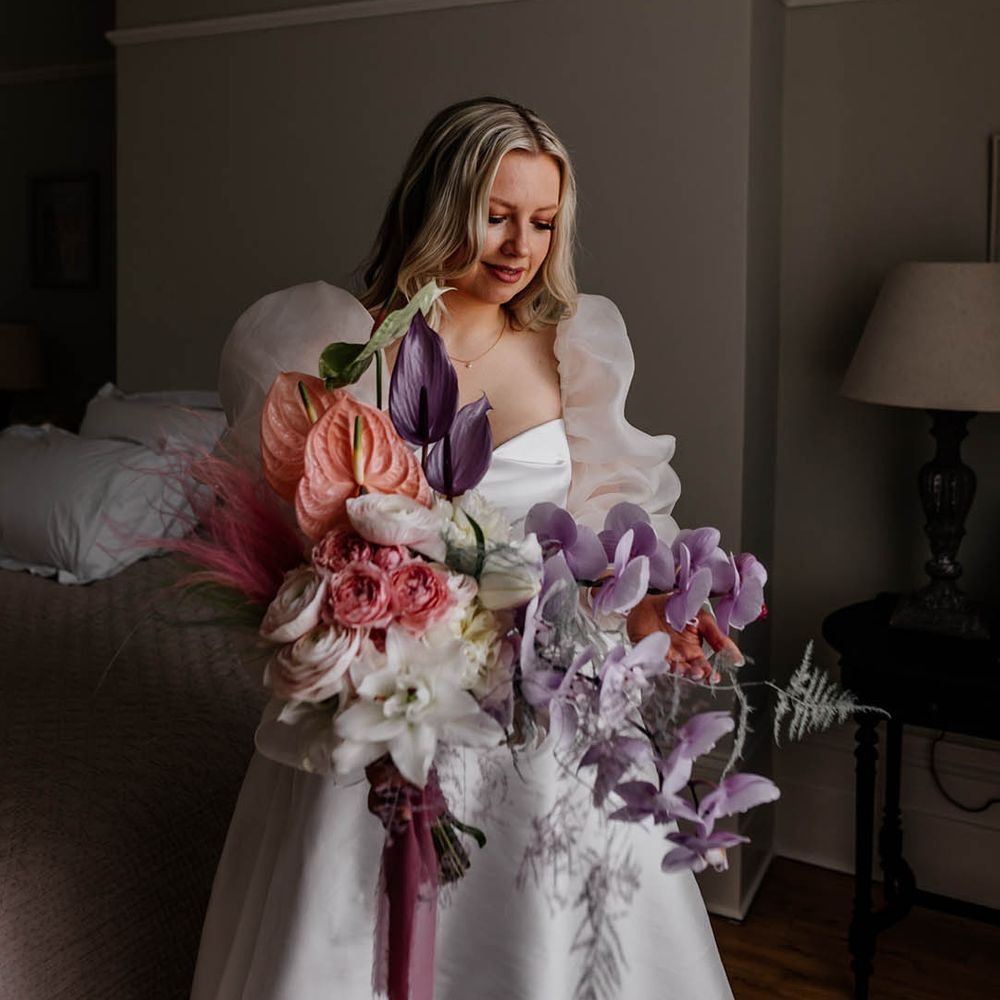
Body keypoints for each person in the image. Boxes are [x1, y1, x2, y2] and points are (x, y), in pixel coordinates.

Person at [192, 96, 735, 999]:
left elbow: (605, 532)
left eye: (543, 222)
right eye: (497, 215)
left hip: (544, 710)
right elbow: (283, 529)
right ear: (437, 201)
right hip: (383, 703)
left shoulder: (572, 350)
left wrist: (652, 608)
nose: (521, 246)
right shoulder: (336, 346)